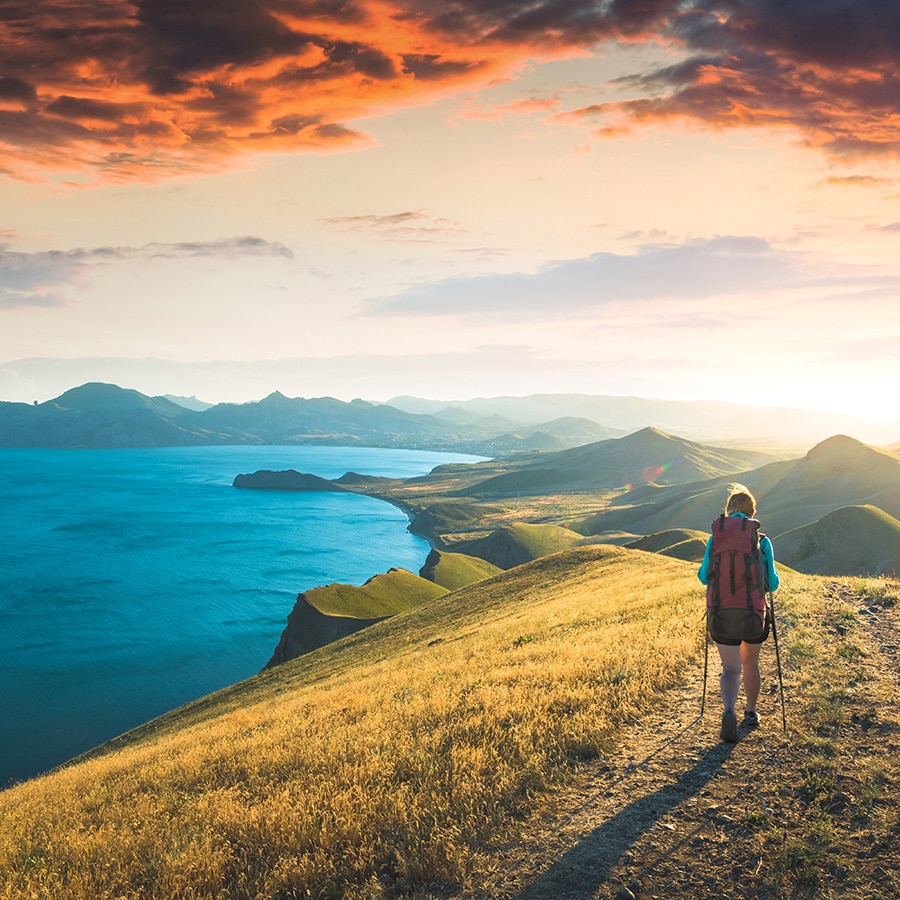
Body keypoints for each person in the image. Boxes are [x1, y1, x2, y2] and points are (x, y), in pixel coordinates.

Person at [698, 483, 780, 742]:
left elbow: (703, 577)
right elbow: (774, 583)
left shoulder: (715, 538)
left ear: (729, 510)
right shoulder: (761, 540)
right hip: (753, 613)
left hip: (722, 614)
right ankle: (751, 712)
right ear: (752, 512)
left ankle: (728, 711)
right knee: (750, 663)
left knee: (730, 668)